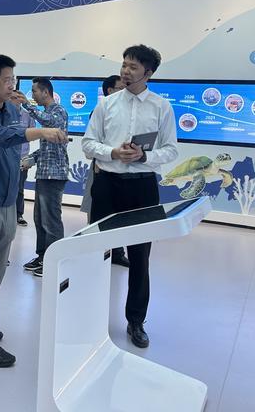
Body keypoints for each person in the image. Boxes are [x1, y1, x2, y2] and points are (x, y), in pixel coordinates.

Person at [0, 54, 67, 368]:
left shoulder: (11, 110)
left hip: (7, 204)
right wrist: (40, 133)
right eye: (6, 80)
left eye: (13, 79)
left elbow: (14, 140)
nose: (12, 85)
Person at [81, 45, 178, 349]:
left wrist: (143, 156)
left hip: (143, 187)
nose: (126, 71)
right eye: (124, 65)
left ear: (148, 73)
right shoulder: (106, 104)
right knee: (96, 253)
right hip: (107, 184)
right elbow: (87, 143)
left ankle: (136, 321)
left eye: (133, 67)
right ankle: (90, 317)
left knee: (140, 257)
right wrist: (112, 152)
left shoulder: (162, 107)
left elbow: (171, 150)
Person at [12, 78, 69, 278]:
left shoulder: (58, 112)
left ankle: (55, 261)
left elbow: (48, 122)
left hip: (55, 175)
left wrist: (26, 105)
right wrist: (31, 159)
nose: (33, 95)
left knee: (51, 219)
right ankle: (43, 256)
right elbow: (48, 147)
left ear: (45, 92)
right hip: (44, 173)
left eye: (35, 91)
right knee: (40, 218)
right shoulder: (46, 113)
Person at [81, 74, 130, 268]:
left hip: (122, 171)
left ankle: (116, 252)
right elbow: (90, 146)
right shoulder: (100, 111)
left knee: (119, 213)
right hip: (101, 169)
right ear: (110, 91)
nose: (124, 91)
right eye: (120, 88)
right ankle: (96, 252)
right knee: (97, 213)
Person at [15, 106, 35, 227]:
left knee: (20, 188)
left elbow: (33, 133)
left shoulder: (27, 114)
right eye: (13, 97)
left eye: (18, 97)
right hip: (7, 156)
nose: (16, 99)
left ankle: (18, 214)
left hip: (22, 157)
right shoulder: (5, 112)